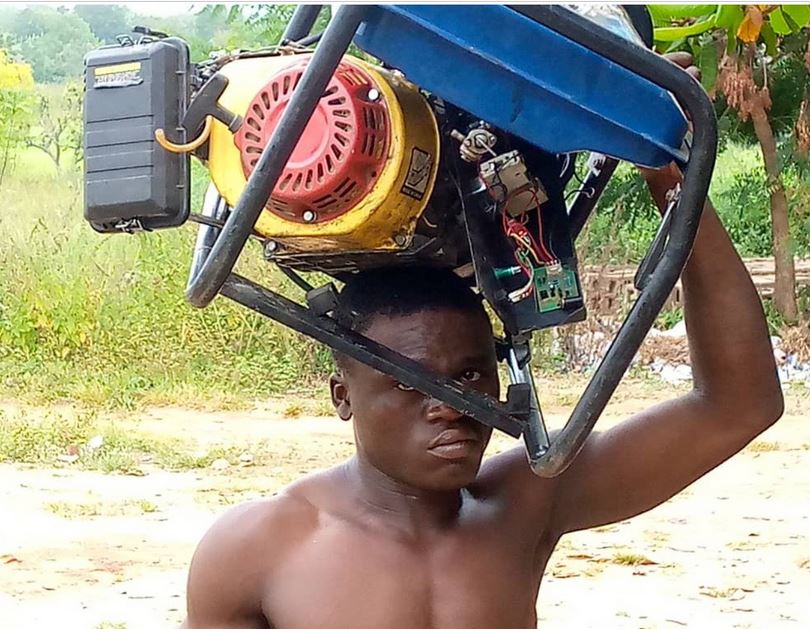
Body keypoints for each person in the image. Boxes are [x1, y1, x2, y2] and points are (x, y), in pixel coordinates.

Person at [180, 55, 783, 629]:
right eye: (410, 382)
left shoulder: (521, 505)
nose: (451, 407)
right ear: (343, 395)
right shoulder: (256, 551)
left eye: (469, 376)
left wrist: (666, 170)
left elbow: (738, 405)